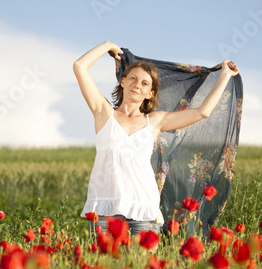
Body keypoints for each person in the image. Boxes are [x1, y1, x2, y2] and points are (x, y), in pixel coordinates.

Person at [74, 41, 239, 236]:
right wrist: (108, 45)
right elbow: (79, 67)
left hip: (143, 211)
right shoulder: (103, 113)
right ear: (123, 81)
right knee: (100, 266)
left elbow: (203, 112)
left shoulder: (155, 121)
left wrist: (225, 75)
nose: (137, 85)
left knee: (143, 267)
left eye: (144, 83)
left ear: (150, 93)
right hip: (103, 210)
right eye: (133, 78)